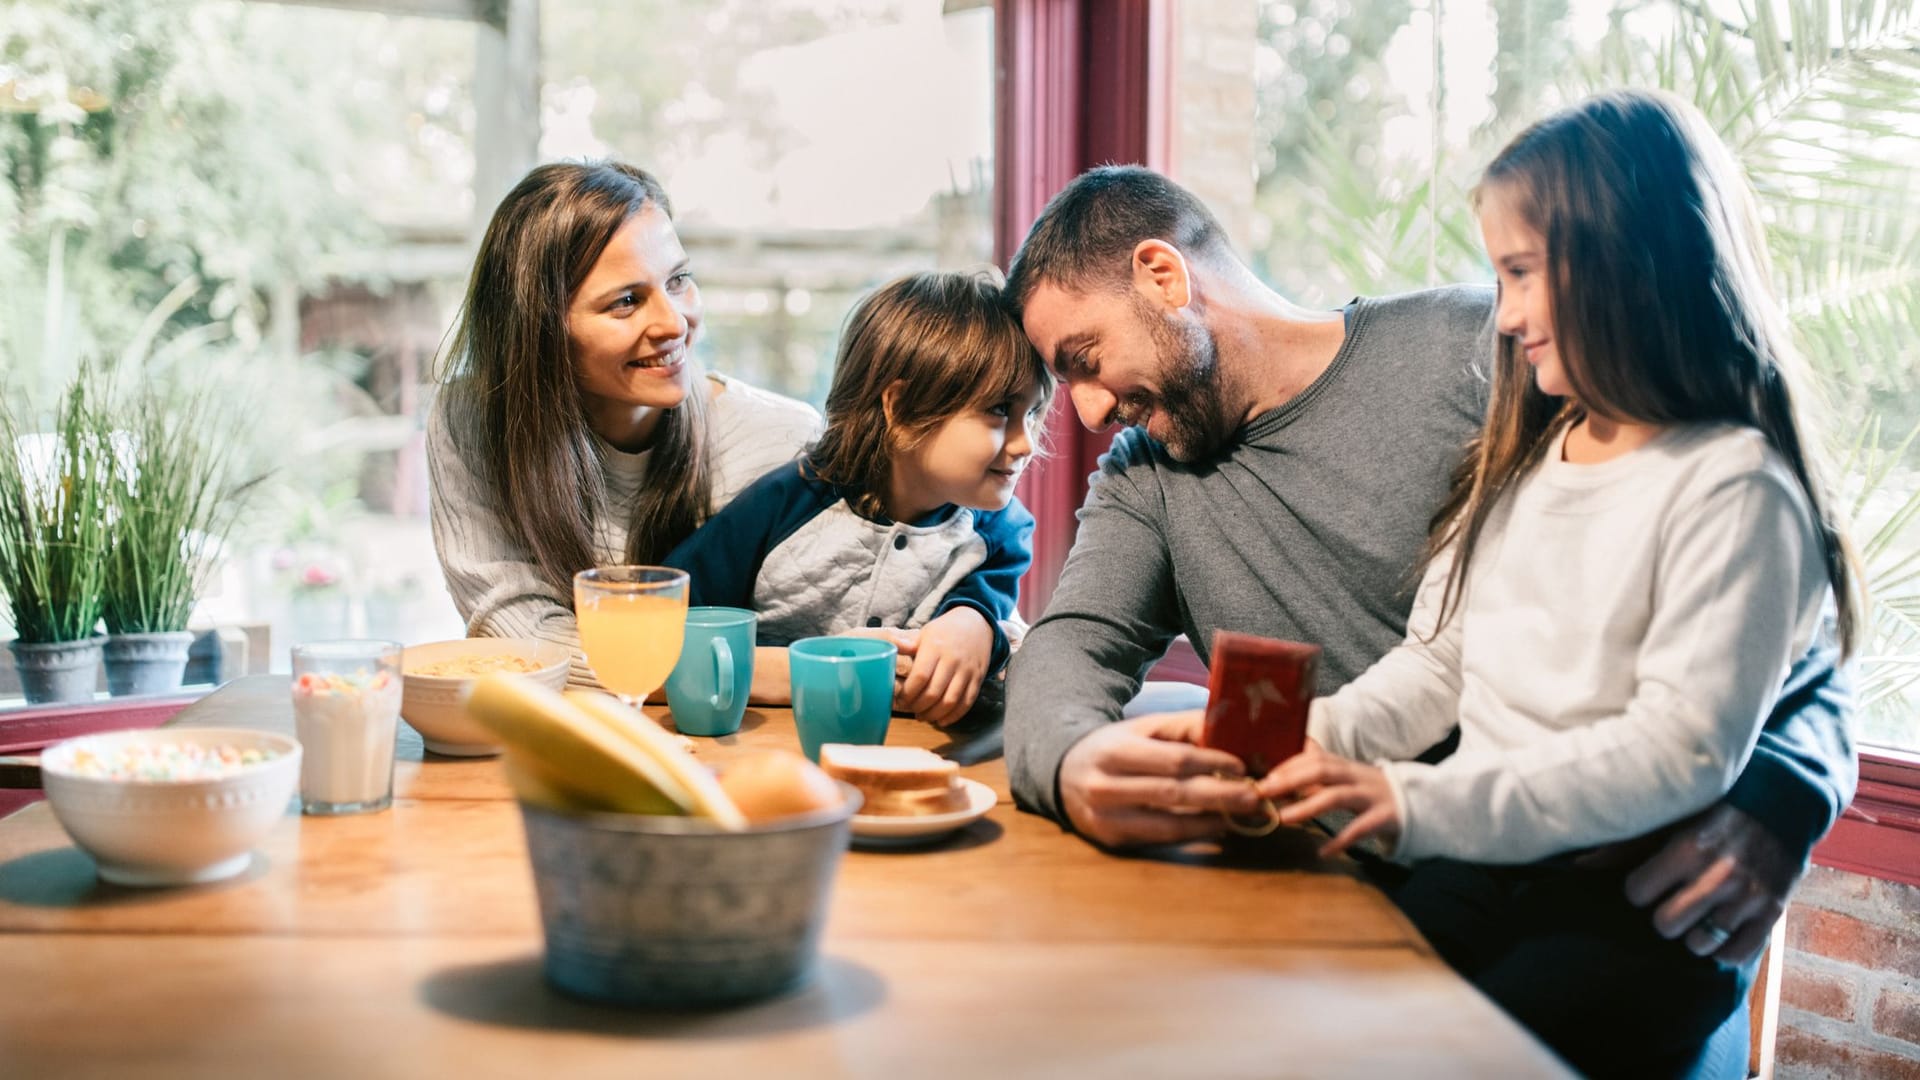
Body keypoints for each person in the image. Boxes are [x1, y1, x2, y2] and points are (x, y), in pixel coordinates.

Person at [998, 158, 1854, 1064]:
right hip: (1361, 895)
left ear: (1162, 276)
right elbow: (1072, 646)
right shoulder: (1146, 473)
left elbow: (1788, 600)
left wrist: (1786, 787)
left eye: (1084, 363)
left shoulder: (1484, 347)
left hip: (1611, 900)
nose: (1089, 413)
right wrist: (1073, 762)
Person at [1247, 89, 1858, 1075]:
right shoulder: (1533, 456)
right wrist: (1306, 745)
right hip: (1482, 864)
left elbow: (1677, 753)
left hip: (1623, 911)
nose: (1506, 313)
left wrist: (1413, 803)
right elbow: (1438, 664)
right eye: (1499, 276)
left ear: (1631, 265)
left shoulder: (1734, 486)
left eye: (1522, 273)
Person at [428, 161, 821, 695]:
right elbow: (517, 637)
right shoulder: (472, 421)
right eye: (627, 301)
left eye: (678, 280)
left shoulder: (782, 439)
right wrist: (752, 669)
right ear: (539, 328)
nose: (674, 323)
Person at [665, 272, 1048, 727]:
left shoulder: (1001, 532)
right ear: (901, 408)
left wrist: (974, 624)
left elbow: (990, 603)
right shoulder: (785, 504)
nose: (1026, 444)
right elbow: (671, 621)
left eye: (1036, 411)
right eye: (1001, 410)